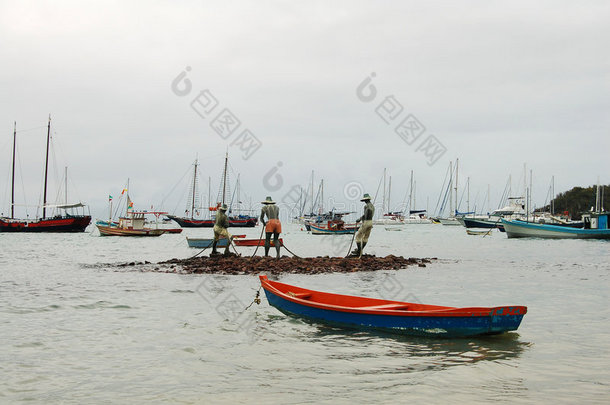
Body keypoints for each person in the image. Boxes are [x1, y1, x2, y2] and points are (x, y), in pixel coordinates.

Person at [351, 193, 375, 257]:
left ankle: (359, 251)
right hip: (370, 222)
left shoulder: (367, 206)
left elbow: (367, 213)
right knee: (365, 237)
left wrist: (360, 219)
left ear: (365, 200)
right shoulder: (372, 206)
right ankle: (360, 251)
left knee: (358, 237)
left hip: (366, 222)